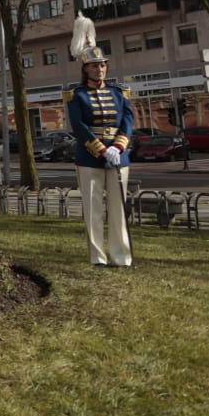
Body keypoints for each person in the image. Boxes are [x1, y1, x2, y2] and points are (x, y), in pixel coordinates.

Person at [64, 16, 134, 267]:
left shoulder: (119, 92)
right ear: (85, 69)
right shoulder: (76, 95)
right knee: (93, 210)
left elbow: (128, 121)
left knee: (118, 210)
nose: (100, 70)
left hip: (118, 157)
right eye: (94, 66)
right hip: (89, 158)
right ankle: (98, 257)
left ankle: (121, 255)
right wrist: (101, 149)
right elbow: (79, 127)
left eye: (102, 65)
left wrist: (118, 147)